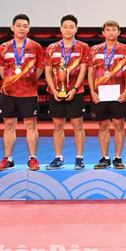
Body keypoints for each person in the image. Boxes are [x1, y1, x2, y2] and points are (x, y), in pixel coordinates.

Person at [0, 14, 45, 172]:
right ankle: (8, 159)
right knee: (9, 125)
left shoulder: (35, 46)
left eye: (25, 26)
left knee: (31, 125)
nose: (22, 28)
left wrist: (28, 81)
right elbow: (2, 69)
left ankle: (32, 158)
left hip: (29, 92)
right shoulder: (3, 47)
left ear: (29, 28)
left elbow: (40, 68)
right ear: (12, 28)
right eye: (19, 25)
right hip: (8, 92)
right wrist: (11, 81)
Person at [43, 15, 90, 170]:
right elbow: (48, 72)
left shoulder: (83, 47)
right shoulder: (52, 48)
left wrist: (75, 88)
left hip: (76, 92)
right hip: (56, 92)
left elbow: (83, 70)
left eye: (71, 27)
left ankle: (79, 158)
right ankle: (58, 158)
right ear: (60, 29)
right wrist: (54, 90)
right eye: (65, 27)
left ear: (76, 29)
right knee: (58, 126)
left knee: (78, 125)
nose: (68, 29)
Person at [88, 20, 126, 169]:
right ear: (103, 33)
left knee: (119, 125)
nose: (111, 32)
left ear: (119, 32)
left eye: (114, 30)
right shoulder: (94, 50)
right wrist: (93, 92)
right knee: (103, 126)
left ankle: (118, 158)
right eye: (108, 30)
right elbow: (90, 72)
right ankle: (105, 157)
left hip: (118, 93)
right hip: (100, 94)